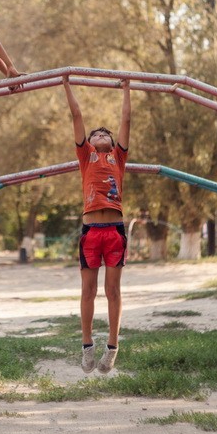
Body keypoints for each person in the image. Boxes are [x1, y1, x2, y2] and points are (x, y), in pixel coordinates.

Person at [62, 76, 131, 373]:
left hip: (115, 231)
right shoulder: (85, 158)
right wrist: (66, 83)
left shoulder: (119, 157)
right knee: (87, 291)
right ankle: (87, 345)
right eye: (97, 133)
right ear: (89, 143)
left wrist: (127, 87)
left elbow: (127, 117)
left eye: (107, 132)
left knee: (112, 291)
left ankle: (113, 347)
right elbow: (76, 115)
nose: (102, 133)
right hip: (91, 232)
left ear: (113, 143)